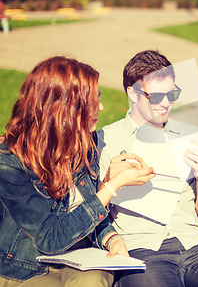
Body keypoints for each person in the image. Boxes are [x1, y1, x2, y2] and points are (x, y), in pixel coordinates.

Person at [97, 50, 198, 287]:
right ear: (132, 94)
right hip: (141, 247)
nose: (166, 103)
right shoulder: (105, 140)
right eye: (156, 96)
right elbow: (91, 211)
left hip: (195, 242)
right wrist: (110, 182)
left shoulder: (191, 135)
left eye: (171, 94)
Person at [0, 56, 155, 287]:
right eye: (91, 101)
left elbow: (85, 205)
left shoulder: (85, 142)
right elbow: (50, 238)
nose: (101, 108)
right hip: (25, 265)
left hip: (77, 254)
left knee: (92, 282)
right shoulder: (9, 163)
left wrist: (111, 238)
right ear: (62, 108)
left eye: (99, 98)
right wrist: (112, 187)